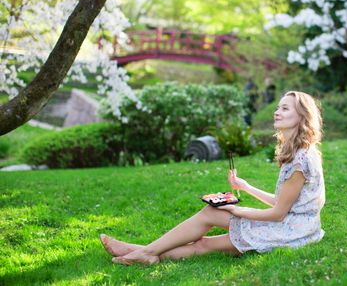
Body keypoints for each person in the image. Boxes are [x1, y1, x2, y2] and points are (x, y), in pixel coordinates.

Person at [100, 91, 325, 265]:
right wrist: (245, 187)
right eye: (278, 107)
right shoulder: (298, 152)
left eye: (285, 109)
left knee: (204, 244)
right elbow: (282, 202)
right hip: (290, 222)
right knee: (211, 212)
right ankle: (143, 251)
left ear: (302, 116)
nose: (277, 112)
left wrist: (237, 211)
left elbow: (278, 213)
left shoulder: (300, 161)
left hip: (291, 230)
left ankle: (144, 252)